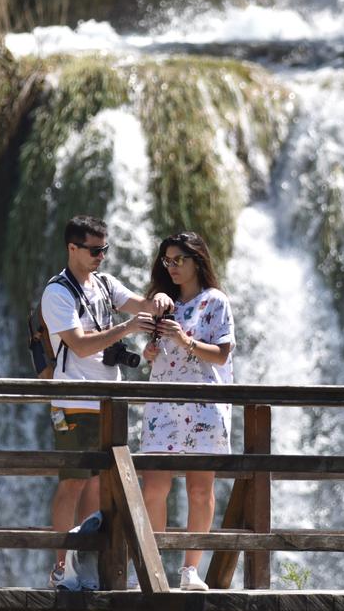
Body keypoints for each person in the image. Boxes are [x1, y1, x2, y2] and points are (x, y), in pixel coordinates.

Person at [41, 215, 172, 589]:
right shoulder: (57, 292)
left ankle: (89, 569)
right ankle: (61, 568)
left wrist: (157, 298)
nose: (101, 256)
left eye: (105, 249)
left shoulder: (103, 283)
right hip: (75, 401)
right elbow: (80, 344)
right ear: (72, 248)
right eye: (94, 250)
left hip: (108, 402)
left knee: (100, 488)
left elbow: (140, 304)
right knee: (72, 484)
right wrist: (129, 328)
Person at [139, 231, 236, 592]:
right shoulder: (162, 302)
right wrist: (151, 351)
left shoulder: (215, 302)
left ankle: (189, 571)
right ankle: (151, 567)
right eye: (167, 261)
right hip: (163, 402)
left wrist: (186, 341)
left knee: (199, 490)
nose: (173, 267)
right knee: (154, 488)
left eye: (179, 259)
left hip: (202, 404)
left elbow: (222, 354)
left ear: (197, 260)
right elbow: (152, 349)